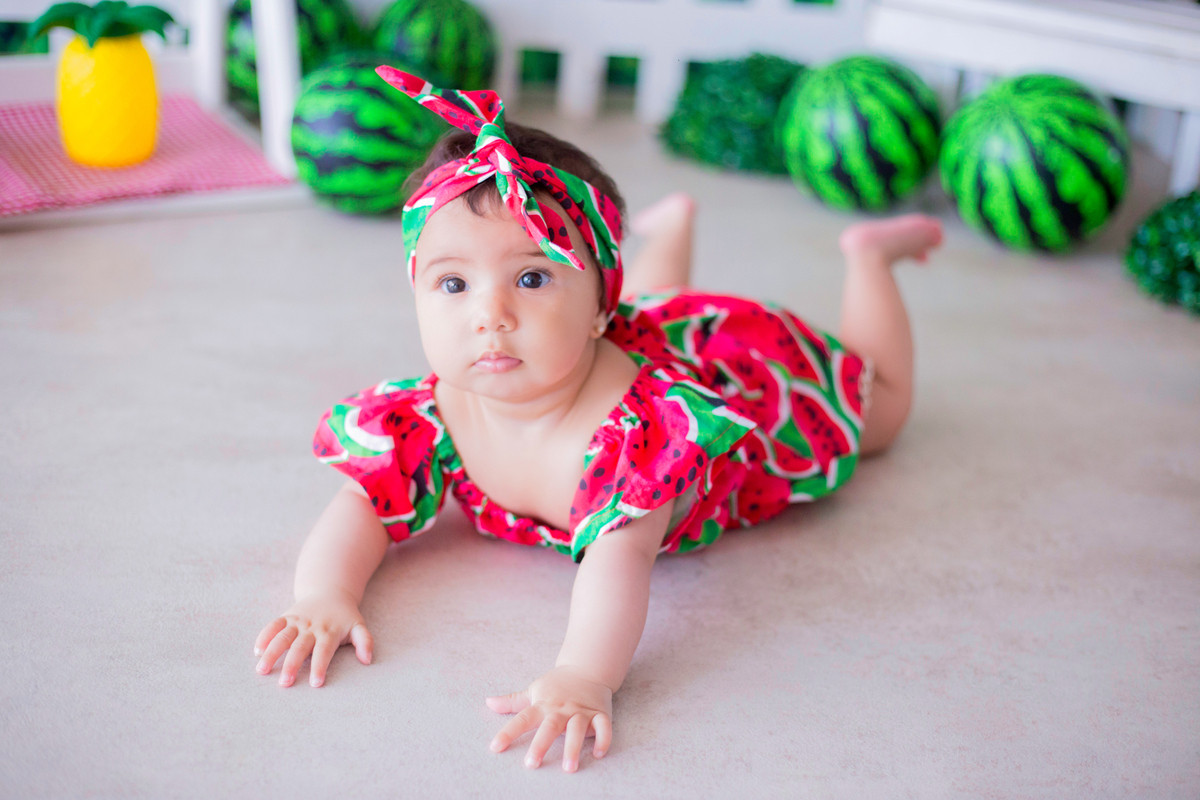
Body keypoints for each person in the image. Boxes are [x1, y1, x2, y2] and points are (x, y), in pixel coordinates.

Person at [253, 68, 944, 772]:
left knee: (881, 415)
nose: (490, 314)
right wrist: (325, 594)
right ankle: (671, 226)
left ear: (595, 309)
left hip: (736, 364)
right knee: (644, 301)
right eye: (453, 283)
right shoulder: (432, 414)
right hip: (616, 323)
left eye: (531, 276)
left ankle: (871, 259)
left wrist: (584, 678)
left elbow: (620, 561)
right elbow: (362, 501)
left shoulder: (630, 436)